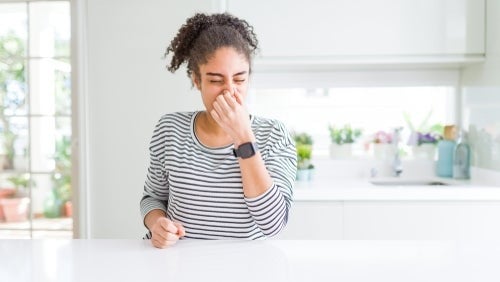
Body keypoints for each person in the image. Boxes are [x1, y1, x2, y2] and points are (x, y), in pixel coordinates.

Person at [140, 12, 297, 249]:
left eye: (239, 79)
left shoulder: (273, 135)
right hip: (177, 264)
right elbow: (152, 198)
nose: (229, 91)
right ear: (196, 79)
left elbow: (273, 224)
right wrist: (157, 224)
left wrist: (243, 137)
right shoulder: (170, 129)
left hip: (244, 267)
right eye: (215, 80)